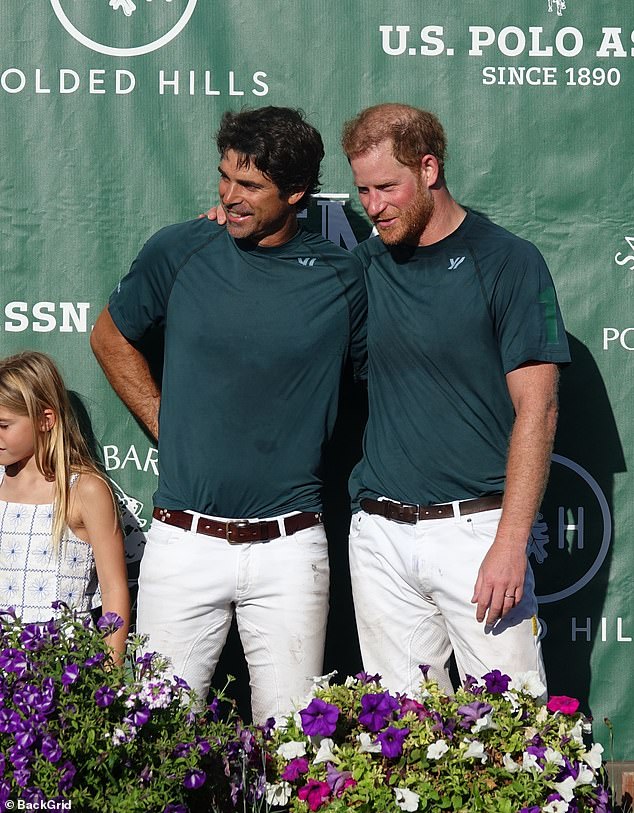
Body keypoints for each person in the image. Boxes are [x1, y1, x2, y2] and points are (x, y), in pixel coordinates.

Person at [90, 106, 366, 722]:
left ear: (296, 194)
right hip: (183, 543)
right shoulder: (181, 249)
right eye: (225, 179)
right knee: (152, 737)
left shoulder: (343, 276)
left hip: (291, 547)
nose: (229, 196)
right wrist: (168, 425)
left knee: (294, 745)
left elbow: (381, 382)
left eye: (250, 186)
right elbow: (110, 336)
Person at [341, 103, 570, 696]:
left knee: (514, 733)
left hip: (477, 534)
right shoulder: (364, 266)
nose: (373, 207)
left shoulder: (508, 261)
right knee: (393, 737)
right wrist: (225, 227)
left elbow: (538, 411)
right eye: (363, 191)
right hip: (380, 536)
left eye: (387, 187)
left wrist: (509, 544)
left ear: (429, 168)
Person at [0, 351, 130, 661]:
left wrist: (110, 678)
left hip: (61, 671)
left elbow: (114, 590)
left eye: (3, 425)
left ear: (46, 420)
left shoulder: (84, 490)